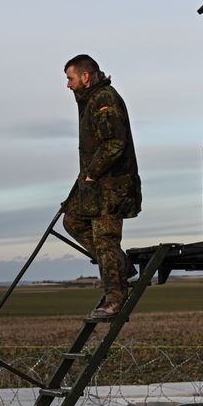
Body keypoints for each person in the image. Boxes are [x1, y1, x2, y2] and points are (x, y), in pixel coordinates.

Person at [62, 54, 142, 321]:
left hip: (112, 187)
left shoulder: (104, 99)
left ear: (85, 76)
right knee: (73, 221)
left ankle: (115, 300)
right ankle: (121, 267)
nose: (68, 85)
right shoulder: (90, 101)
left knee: (105, 240)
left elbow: (114, 144)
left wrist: (91, 174)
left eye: (70, 78)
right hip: (95, 187)